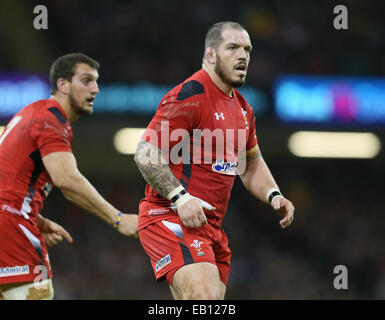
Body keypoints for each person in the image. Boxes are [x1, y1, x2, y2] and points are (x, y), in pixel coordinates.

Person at [134, 21, 295, 300]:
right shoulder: (191, 95)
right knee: (204, 299)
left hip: (210, 228)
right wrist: (180, 198)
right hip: (171, 216)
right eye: (232, 48)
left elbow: (251, 162)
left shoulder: (244, 108)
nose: (242, 56)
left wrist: (274, 195)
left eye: (247, 49)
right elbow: (146, 153)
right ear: (210, 54)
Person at [0, 53, 138, 300]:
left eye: (96, 82)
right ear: (62, 84)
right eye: (86, 80)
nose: (95, 89)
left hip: (11, 220)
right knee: (38, 294)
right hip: (10, 228)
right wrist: (118, 219)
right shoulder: (51, 118)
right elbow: (67, 179)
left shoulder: (31, 113)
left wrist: (36, 217)